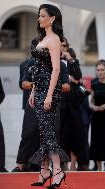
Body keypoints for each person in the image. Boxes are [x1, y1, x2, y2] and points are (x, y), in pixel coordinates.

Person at [12, 38, 70, 173]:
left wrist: (51, 87)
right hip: (34, 105)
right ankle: (21, 164)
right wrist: (38, 86)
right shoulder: (32, 63)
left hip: (53, 105)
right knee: (28, 132)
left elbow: (67, 86)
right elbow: (24, 83)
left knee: (53, 134)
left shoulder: (60, 65)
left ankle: (54, 166)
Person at [29, 4, 68, 188]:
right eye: (39, 15)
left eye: (42, 15)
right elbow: (37, 69)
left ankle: (58, 170)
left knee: (47, 130)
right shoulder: (42, 39)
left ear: (52, 18)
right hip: (40, 90)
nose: (39, 18)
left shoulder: (54, 39)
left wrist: (49, 95)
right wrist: (33, 90)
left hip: (50, 91)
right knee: (44, 130)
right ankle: (45, 170)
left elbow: (56, 69)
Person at [60, 38, 90, 171]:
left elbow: (78, 76)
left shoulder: (73, 61)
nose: (62, 48)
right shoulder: (52, 61)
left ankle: (83, 163)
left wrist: (70, 60)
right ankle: (61, 162)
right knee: (61, 134)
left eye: (65, 45)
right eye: (60, 45)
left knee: (79, 132)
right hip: (59, 102)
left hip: (73, 102)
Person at [89, 60, 105, 171]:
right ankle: (98, 167)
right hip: (96, 117)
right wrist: (93, 107)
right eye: (98, 70)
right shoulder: (94, 84)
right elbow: (91, 101)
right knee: (96, 141)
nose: (100, 72)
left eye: (102, 70)